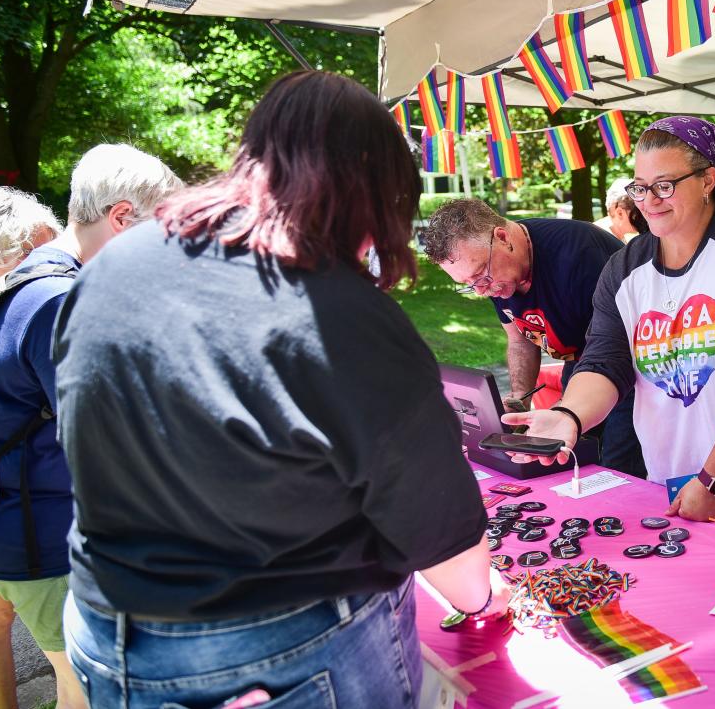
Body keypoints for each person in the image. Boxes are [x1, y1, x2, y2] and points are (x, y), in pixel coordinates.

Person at [56, 71, 507, 709]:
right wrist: (486, 599)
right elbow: (450, 552)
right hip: (279, 647)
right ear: (371, 195)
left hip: (108, 628)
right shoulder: (341, 313)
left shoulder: (116, 265)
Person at [0, 146, 182, 709]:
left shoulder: (14, 282)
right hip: (40, 538)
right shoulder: (63, 299)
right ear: (122, 217)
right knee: (86, 686)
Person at [503, 117, 715, 519]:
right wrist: (567, 415)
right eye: (640, 188)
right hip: (664, 485)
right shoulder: (624, 267)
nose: (649, 201)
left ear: (707, 180)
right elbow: (605, 362)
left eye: (665, 185)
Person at [422, 198, 647, 478]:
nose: (480, 291)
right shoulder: (498, 274)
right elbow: (519, 339)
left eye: (480, 276)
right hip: (579, 363)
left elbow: (611, 349)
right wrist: (519, 399)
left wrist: (573, 411)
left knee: (617, 467)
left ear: (502, 237)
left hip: (631, 367)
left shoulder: (577, 254)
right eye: (469, 284)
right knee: (573, 462)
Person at [594, 177, 648, 243]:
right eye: (638, 212)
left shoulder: (611, 237)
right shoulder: (600, 241)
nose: (644, 217)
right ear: (620, 213)